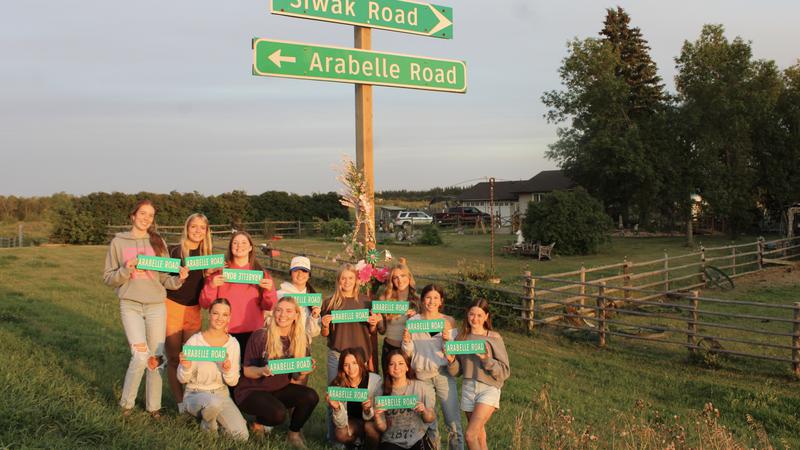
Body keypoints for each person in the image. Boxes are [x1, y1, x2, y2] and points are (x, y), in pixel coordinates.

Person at [103, 199, 188, 417]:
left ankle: (154, 407)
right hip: (130, 304)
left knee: (156, 358)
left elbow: (164, 279)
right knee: (140, 356)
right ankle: (126, 404)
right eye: (142, 213)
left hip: (156, 307)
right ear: (133, 216)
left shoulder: (158, 242)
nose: (146, 218)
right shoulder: (118, 242)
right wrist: (125, 269)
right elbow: (109, 278)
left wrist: (178, 279)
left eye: (150, 215)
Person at [236, 297, 319, 448]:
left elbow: (296, 376)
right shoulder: (260, 336)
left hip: (278, 389)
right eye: (279, 310)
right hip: (252, 390)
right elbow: (247, 371)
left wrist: (303, 372)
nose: (283, 315)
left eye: (289, 311)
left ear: (296, 315)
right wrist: (263, 370)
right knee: (278, 415)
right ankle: (257, 424)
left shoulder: (300, 340)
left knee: (310, 396)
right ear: (274, 313)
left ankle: (293, 433)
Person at [321, 263, 383, 441]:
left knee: (363, 396)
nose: (347, 282)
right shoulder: (330, 302)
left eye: (350, 278)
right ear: (338, 281)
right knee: (335, 396)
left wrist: (373, 323)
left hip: (360, 357)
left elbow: (373, 331)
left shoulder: (366, 301)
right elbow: (326, 333)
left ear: (357, 280)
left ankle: (364, 434)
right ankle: (333, 437)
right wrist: (325, 325)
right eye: (343, 278)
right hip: (337, 355)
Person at [200, 231, 277, 366]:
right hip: (224, 332)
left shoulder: (260, 273)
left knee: (249, 375)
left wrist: (269, 290)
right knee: (226, 372)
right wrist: (211, 285)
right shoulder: (220, 271)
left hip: (253, 333)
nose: (239, 246)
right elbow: (205, 303)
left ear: (250, 247)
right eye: (235, 243)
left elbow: (269, 306)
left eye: (243, 243)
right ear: (230, 247)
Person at [402, 285, 464, 450]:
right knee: (430, 422)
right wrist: (407, 341)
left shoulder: (448, 321)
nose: (431, 301)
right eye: (428, 297)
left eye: (436, 298)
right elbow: (408, 354)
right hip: (422, 375)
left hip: (442, 373)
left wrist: (447, 340)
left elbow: (453, 353)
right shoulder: (413, 322)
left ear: (441, 301)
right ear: (422, 300)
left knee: (452, 420)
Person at [178, 298, 248, 441]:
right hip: (195, 393)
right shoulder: (195, 341)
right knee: (212, 403)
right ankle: (207, 424)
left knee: (241, 436)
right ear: (209, 314)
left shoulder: (233, 344)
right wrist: (186, 367)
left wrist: (227, 370)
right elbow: (182, 379)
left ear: (229, 318)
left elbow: (233, 382)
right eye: (216, 313)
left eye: (224, 315)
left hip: (221, 394)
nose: (219, 318)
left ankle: (210, 417)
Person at [446, 299, 510, 450]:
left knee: (470, 435)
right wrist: (451, 361)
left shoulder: (494, 338)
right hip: (468, 389)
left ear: (486, 316)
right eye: (472, 314)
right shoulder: (461, 339)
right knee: (480, 437)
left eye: (480, 315)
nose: (475, 319)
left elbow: (504, 371)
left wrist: (487, 360)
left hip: (489, 388)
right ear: (467, 315)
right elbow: (457, 372)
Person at [166, 213, 214, 413]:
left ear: (206, 232)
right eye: (194, 226)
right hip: (172, 306)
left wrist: (212, 276)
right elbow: (162, 277)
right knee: (174, 358)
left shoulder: (208, 256)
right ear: (187, 228)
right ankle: (179, 404)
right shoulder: (174, 251)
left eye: (202, 227)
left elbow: (210, 289)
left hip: (194, 310)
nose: (197, 231)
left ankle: (191, 400)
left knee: (191, 358)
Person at [374, 350, 436, 450]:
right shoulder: (381, 390)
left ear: (407, 367)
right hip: (391, 441)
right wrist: (377, 416)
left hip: (416, 438)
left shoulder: (420, 387)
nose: (397, 367)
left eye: (401, 363)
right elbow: (382, 428)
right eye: (392, 364)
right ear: (387, 369)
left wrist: (424, 411)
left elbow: (430, 418)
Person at [276, 256, 322, 380]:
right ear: (291, 273)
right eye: (296, 270)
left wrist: (314, 316)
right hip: (281, 346)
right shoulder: (280, 294)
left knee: (299, 384)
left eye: (304, 270)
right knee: (279, 382)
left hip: (303, 347)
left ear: (309, 275)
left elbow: (313, 332)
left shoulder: (313, 298)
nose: (300, 274)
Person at [327, 348, 383, 448]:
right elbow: (340, 424)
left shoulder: (374, 381)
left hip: (372, 423)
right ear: (342, 367)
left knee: (369, 427)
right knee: (340, 432)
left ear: (360, 363)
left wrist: (368, 410)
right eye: (346, 365)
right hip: (353, 424)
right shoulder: (338, 386)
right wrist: (337, 408)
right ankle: (355, 444)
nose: (351, 368)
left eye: (354, 363)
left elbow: (380, 415)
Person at [378, 259, 419, 372]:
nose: (400, 280)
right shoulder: (384, 299)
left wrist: (416, 318)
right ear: (392, 281)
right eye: (396, 277)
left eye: (402, 276)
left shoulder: (418, 300)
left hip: (411, 351)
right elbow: (381, 331)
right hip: (390, 348)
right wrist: (379, 320)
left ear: (409, 277)